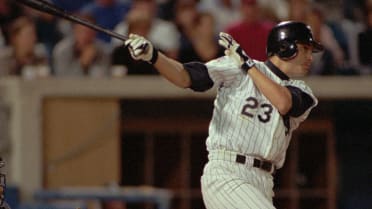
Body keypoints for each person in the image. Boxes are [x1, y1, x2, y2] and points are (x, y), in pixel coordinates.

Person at [124, 21, 323, 208]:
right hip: (227, 171)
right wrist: (154, 56)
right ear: (285, 47)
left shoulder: (301, 90)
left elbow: (283, 102)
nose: (310, 57)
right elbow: (186, 76)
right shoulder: (237, 66)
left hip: (263, 180)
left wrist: (248, 65)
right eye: (305, 48)